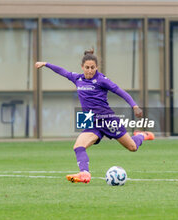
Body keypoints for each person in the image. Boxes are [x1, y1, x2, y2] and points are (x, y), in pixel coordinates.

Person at [35, 49, 154, 184]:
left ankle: (142, 135)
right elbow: (62, 71)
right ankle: (84, 174)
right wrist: (46, 64)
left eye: (92, 68)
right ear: (82, 67)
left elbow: (120, 91)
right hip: (91, 122)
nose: (90, 70)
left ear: (97, 67)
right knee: (78, 146)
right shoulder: (77, 78)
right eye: (87, 67)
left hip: (108, 120)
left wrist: (134, 106)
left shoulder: (101, 80)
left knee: (132, 147)